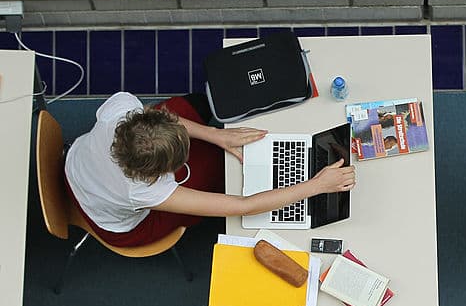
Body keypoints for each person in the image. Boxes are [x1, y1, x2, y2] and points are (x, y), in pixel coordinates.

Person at [65, 91, 356, 247]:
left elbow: (158, 114)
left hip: (77, 166)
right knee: (217, 172)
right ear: (158, 173)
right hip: (118, 225)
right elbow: (245, 205)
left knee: (183, 107)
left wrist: (215, 135)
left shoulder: (120, 112)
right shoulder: (145, 191)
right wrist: (317, 185)